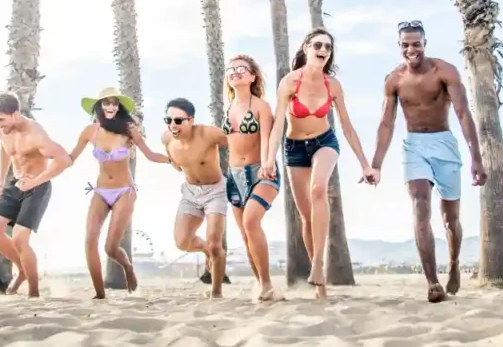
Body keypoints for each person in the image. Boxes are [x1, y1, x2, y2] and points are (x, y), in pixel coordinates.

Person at [370, 20, 488, 303]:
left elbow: (463, 114)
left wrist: (477, 159)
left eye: (416, 44)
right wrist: (376, 164)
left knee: (450, 219)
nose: (411, 49)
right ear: (399, 47)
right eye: (405, 45)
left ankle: (455, 263)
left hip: (444, 143)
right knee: (420, 203)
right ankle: (432, 281)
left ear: (425, 44)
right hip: (414, 147)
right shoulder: (394, 80)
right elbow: (386, 123)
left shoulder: (444, 71)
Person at [262, 27, 377, 298]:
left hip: (325, 142)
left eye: (327, 47)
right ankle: (320, 288)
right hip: (294, 148)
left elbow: (347, 127)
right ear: (306, 48)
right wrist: (268, 159)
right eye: (317, 45)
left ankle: (317, 265)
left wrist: (365, 164)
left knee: (318, 190)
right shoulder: (289, 82)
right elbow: (278, 124)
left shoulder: (332, 85)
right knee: (305, 216)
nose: (322, 50)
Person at [70, 87, 171, 299]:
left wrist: (174, 160)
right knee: (89, 240)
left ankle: (128, 267)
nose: (111, 107)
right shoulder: (91, 131)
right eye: (106, 103)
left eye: (115, 103)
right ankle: (99, 294)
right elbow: (71, 157)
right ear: (99, 106)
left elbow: (151, 155)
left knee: (110, 248)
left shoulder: (128, 130)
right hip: (101, 191)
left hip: (124, 191)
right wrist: (46, 160)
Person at [0, 91, 73, 298]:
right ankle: (22, 270)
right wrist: (0, 179)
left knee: (19, 239)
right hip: (15, 184)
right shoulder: (2, 131)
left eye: (2, 120)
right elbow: (7, 150)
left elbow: (64, 159)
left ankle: (34, 293)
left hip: (37, 187)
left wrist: (35, 181)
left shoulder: (34, 133)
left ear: (15, 114)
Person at [222, 55, 280, 301]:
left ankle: (267, 283)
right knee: (246, 235)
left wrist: (267, 163)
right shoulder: (229, 107)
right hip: (234, 176)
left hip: (261, 171)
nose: (235, 72)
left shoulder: (261, 106)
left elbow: (266, 138)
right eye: (231, 69)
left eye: (241, 69)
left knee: (251, 222)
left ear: (252, 76)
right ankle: (260, 285)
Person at [161, 97, 229, 299]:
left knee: (216, 244)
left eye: (178, 121)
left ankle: (216, 293)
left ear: (191, 120)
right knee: (182, 242)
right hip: (190, 193)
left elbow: (238, 142)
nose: (173, 125)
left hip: (215, 191)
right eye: (168, 120)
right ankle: (206, 249)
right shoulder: (167, 139)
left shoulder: (209, 133)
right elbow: (175, 162)